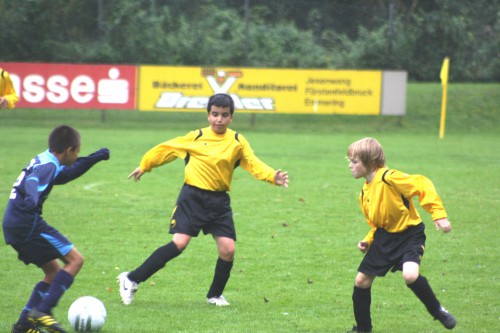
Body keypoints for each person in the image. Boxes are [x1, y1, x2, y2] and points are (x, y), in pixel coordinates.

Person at [118, 93, 289, 307]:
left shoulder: (237, 142)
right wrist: (145, 165)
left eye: (224, 115)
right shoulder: (196, 137)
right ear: (208, 115)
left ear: (231, 118)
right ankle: (131, 278)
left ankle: (214, 295)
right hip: (193, 198)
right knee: (179, 243)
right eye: (215, 114)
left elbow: (254, 164)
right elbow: (167, 149)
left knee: (228, 250)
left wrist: (273, 176)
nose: (219, 119)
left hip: (219, 202)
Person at [3, 125, 110, 333]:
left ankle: (24, 326)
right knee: (75, 260)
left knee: (53, 272)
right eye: (77, 151)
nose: (77, 154)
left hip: (14, 223)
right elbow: (34, 180)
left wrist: (94, 158)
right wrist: (32, 198)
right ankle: (43, 311)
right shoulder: (48, 166)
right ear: (69, 150)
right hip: (27, 223)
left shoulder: (45, 158)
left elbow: (67, 174)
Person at [345, 137, 456, 333]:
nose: (350, 166)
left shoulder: (390, 177)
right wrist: (368, 240)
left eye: (354, 162)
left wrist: (438, 214)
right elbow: (377, 223)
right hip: (384, 237)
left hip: (409, 235)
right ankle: (363, 329)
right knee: (361, 281)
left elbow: (422, 184)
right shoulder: (364, 193)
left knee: (410, 275)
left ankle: (438, 311)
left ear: (370, 163)